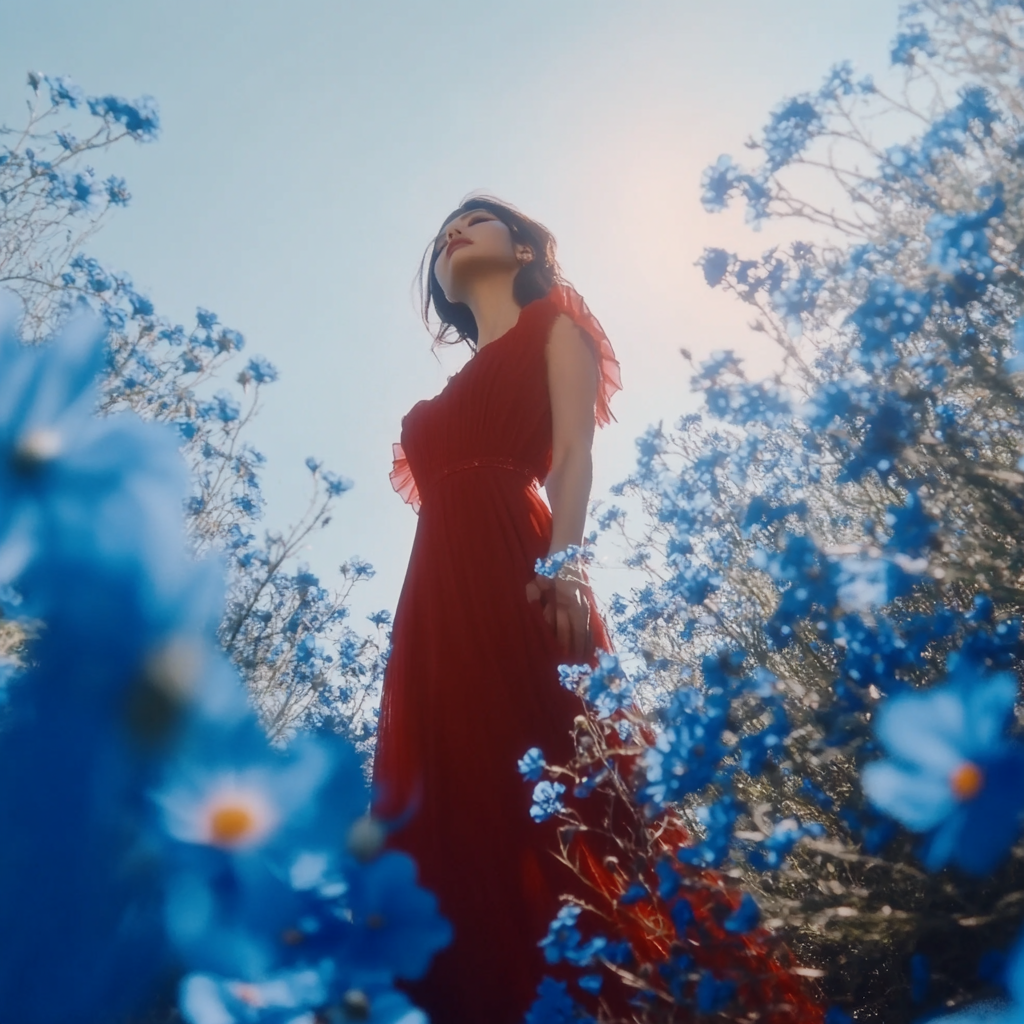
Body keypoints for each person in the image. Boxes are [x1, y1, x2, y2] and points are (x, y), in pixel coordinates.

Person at [370, 195, 624, 1023]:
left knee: (543, 765)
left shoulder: (556, 328)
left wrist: (565, 567)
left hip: (520, 568)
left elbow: (575, 455)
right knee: (449, 788)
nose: (453, 230)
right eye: (444, 230)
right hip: (436, 598)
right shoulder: (431, 410)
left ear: (524, 248)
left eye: (476, 220)